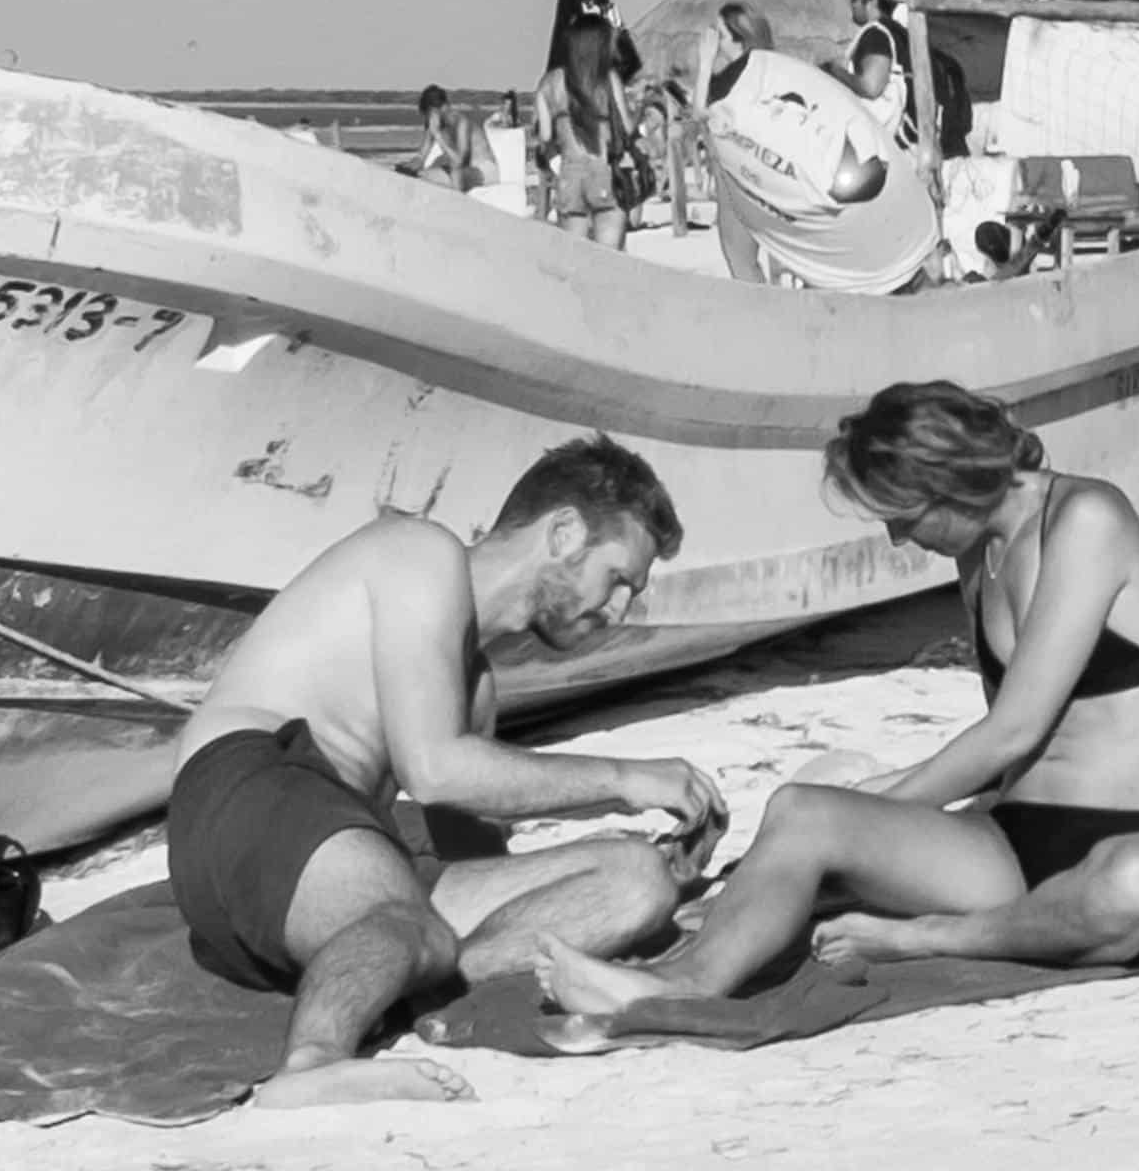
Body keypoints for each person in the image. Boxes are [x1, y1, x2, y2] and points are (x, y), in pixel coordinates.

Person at [539, 382, 1139, 1014]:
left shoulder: (1088, 518)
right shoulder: (979, 551)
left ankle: (928, 937)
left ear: (950, 481)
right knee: (801, 811)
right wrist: (792, 843)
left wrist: (878, 807)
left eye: (903, 516)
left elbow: (1013, 731)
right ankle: (677, 983)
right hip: (1013, 841)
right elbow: (1006, 756)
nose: (898, 538)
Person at [168, 435, 727, 1107]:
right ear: (564, 531)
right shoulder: (422, 553)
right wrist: (623, 778)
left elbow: (472, 851)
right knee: (415, 923)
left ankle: (400, 966)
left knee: (635, 878)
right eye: (618, 580)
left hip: (324, 862)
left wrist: (660, 875)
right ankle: (313, 1060)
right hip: (250, 789)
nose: (618, 611)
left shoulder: (475, 682)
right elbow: (433, 770)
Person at [695, 3, 941, 293]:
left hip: (751, 173)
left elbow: (702, 114)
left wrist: (704, 61)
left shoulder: (735, 88)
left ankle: (767, 316)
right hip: (797, 185)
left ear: (739, 40)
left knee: (739, 253)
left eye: (719, 34)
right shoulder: (777, 72)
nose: (712, 38)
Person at [532, 11, 634, 249]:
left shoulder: (549, 83)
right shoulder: (608, 78)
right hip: (604, 171)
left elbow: (545, 137)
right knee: (610, 262)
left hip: (570, 175)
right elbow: (628, 128)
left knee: (575, 263)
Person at [822, 0, 919, 152]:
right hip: (909, 141)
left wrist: (835, 71)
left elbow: (871, 87)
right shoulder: (901, 34)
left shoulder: (876, 34)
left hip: (883, 144)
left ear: (870, 1)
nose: (852, 5)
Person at [410, 84, 494, 192]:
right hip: (462, 169)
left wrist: (437, 134)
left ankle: (459, 204)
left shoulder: (462, 123)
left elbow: (459, 161)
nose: (430, 119)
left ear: (443, 107)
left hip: (483, 170)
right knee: (428, 169)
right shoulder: (434, 121)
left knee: (453, 171)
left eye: (431, 114)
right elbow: (421, 157)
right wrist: (410, 166)